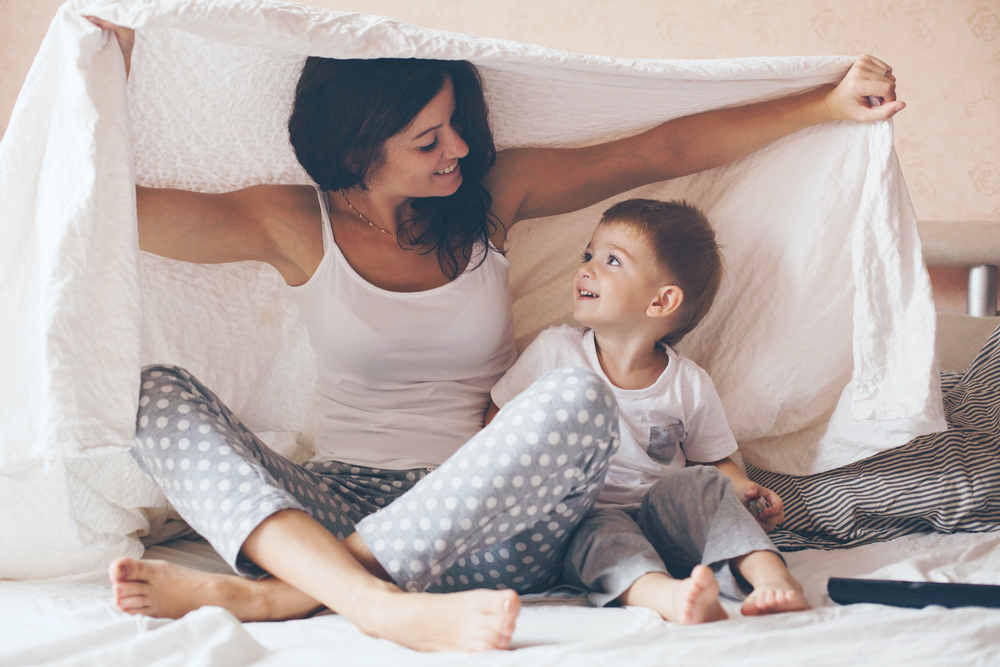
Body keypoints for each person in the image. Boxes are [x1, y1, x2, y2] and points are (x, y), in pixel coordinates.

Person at [85, 15, 901, 653]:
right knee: (151, 393)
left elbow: (663, 148)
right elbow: (104, 203)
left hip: (496, 522)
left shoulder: (491, 197)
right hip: (339, 499)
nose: (461, 149)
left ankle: (294, 591)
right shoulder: (295, 223)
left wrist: (823, 104)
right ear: (359, 147)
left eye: (458, 125)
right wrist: (102, 61)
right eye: (429, 140)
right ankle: (374, 602)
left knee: (577, 397)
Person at [488, 199, 807, 625]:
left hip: (665, 520)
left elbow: (713, 460)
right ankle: (669, 597)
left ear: (661, 302)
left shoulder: (689, 384)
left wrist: (742, 489)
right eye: (588, 255)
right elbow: (497, 419)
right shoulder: (555, 352)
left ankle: (773, 578)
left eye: (611, 260)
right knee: (604, 534)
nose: (587, 268)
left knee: (703, 483)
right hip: (585, 514)